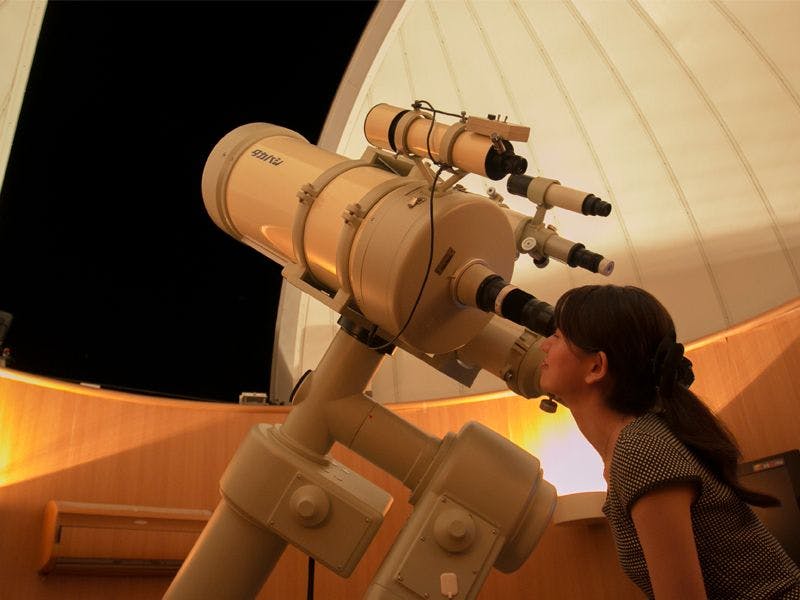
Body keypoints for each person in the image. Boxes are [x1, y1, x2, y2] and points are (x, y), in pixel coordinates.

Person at [538, 284, 800, 600]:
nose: (543, 346)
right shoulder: (640, 441)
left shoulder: (640, 449)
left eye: (558, 337)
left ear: (596, 367)